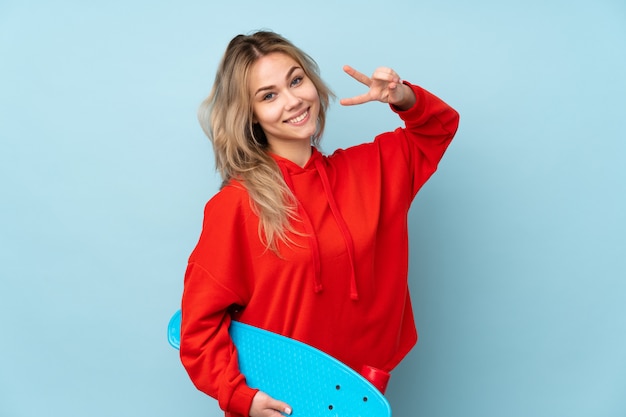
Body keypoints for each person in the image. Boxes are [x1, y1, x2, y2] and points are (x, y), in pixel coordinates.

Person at [179, 30, 459, 417]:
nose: (293, 100)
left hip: (358, 402)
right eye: (269, 95)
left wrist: (403, 97)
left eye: (296, 80)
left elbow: (438, 128)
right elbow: (197, 329)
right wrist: (241, 397)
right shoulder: (236, 206)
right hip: (276, 406)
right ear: (251, 115)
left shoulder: (370, 172)